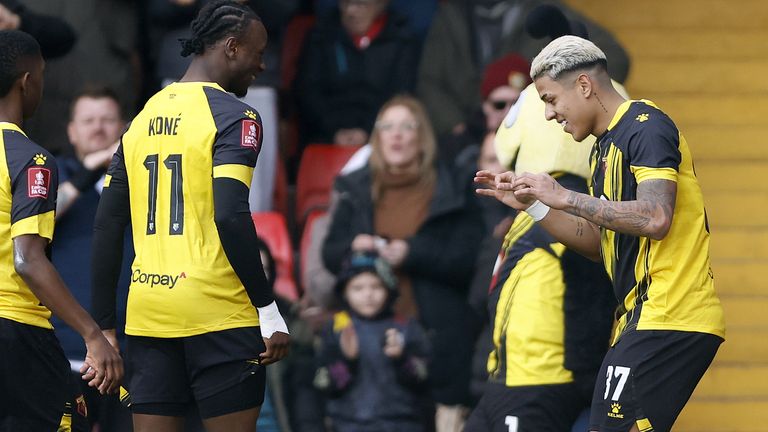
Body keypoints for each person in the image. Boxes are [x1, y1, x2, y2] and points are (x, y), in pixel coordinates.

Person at [476, 35, 726, 432]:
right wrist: (537, 206)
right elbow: (597, 243)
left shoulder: (646, 125)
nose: (548, 114)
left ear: (585, 86)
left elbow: (656, 217)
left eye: (550, 99)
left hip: (673, 313)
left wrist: (563, 195)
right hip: (640, 318)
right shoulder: (601, 149)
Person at [90, 2, 290, 432]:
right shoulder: (237, 116)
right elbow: (231, 215)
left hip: (147, 314)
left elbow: (107, 225)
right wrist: (267, 309)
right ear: (232, 47)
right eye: (258, 51)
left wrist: (105, 324)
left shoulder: (141, 117)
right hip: (217, 312)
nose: (262, 64)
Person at [322, 95, 485, 430]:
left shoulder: (453, 185)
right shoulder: (355, 188)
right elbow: (329, 253)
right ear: (377, 137)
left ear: (422, 135)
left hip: (436, 339)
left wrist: (412, 253)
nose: (396, 135)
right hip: (369, 348)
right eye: (387, 127)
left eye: (406, 127)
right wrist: (355, 245)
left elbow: (469, 258)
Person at [0, 30, 122, 430]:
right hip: (17, 332)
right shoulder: (31, 158)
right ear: (27, 81)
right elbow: (28, 260)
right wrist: (92, 333)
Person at [465, 171, 616, 432]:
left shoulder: (567, 197)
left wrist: (585, 374)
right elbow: (482, 296)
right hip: (504, 378)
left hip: (542, 378)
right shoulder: (529, 203)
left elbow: (593, 289)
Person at [418, 0, 630, 137]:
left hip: (537, 134)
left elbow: (614, 57)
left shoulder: (545, 10)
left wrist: (554, 99)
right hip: (467, 140)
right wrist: (457, 127)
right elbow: (428, 82)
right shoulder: (450, 16)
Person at [51, 85, 133, 432]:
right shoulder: (53, 171)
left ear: (124, 128)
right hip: (65, 355)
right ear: (71, 131)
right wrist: (90, 169)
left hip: (132, 357)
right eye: (88, 121)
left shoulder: (141, 182)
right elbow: (37, 217)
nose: (98, 128)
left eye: (107, 120)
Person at [314, 252, 429, 431]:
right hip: (349, 424)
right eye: (358, 288)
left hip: (402, 423)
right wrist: (347, 361)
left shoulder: (405, 325)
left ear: (389, 288)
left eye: (376, 286)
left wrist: (401, 359)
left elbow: (423, 377)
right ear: (344, 291)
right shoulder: (337, 327)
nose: (368, 294)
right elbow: (323, 383)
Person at [295, 0, 419, 147]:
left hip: (382, 137)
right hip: (325, 136)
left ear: (380, 5)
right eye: (345, 3)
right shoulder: (321, 35)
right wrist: (335, 131)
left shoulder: (401, 38)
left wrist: (368, 130)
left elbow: (400, 94)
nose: (350, 11)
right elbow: (307, 91)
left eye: (361, 4)